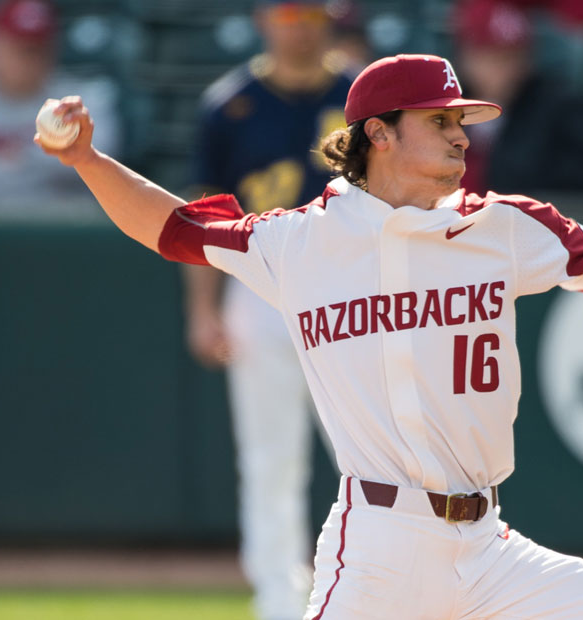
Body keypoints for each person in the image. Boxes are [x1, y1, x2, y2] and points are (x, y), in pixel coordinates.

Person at [37, 54, 583, 618]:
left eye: (461, 122)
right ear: (380, 134)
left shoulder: (503, 228)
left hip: (489, 551)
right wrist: (87, 159)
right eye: (439, 121)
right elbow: (174, 228)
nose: (460, 137)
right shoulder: (299, 241)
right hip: (376, 551)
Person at [183, 2, 351, 618]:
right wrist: (204, 310)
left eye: (309, 10)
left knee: (367, 454)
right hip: (256, 287)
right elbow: (201, 217)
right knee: (268, 458)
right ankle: (278, 601)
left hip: (348, 292)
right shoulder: (229, 105)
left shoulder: (359, 97)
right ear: (262, 20)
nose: (298, 23)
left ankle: (374, 585)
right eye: (286, 10)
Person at [0, 0, 119, 217]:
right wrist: (44, 162)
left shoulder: (81, 102)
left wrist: (9, 160)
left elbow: (101, 166)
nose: (28, 59)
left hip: (62, 227)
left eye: (37, 49)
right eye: (18, 48)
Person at [454, 0, 583, 196]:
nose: (504, 70)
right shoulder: (445, 107)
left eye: (513, 56)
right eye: (491, 57)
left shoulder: (560, 108)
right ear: (466, 57)